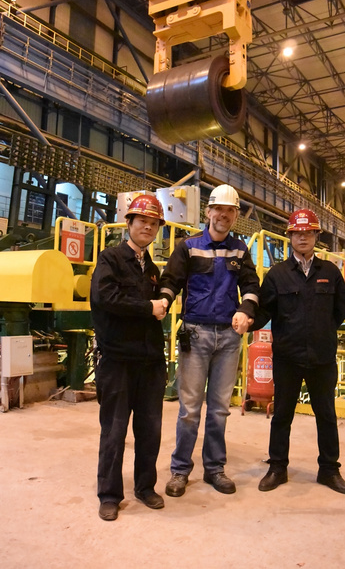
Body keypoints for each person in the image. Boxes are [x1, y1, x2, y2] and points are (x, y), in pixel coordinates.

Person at [159, 184, 260, 497]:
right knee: (189, 409)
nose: (223, 216)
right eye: (218, 209)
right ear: (208, 211)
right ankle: (179, 471)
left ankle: (215, 469)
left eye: (230, 211)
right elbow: (171, 281)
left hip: (229, 339)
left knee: (219, 409)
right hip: (196, 335)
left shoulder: (240, 249)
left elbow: (252, 285)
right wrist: (163, 301)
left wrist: (246, 310)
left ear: (234, 215)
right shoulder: (187, 247)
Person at [252, 209, 345, 495]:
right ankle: (277, 468)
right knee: (282, 414)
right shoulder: (278, 274)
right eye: (298, 232)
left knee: (326, 415)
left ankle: (329, 470)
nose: (303, 237)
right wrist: (244, 317)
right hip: (287, 358)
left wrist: (322, 330)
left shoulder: (330, 272)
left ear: (316, 236)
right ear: (290, 236)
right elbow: (264, 310)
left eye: (308, 232)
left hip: (321, 358)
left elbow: (341, 307)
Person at [90, 193, 169, 521]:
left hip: (150, 362)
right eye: (143, 222)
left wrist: (164, 296)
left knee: (150, 428)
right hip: (118, 360)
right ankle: (109, 493)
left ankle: (145, 487)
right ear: (129, 224)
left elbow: (166, 294)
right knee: (115, 429)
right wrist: (148, 307)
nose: (148, 228)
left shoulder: (151, 268)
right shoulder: (111, 259)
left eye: (154, 224)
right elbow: (106, 297)